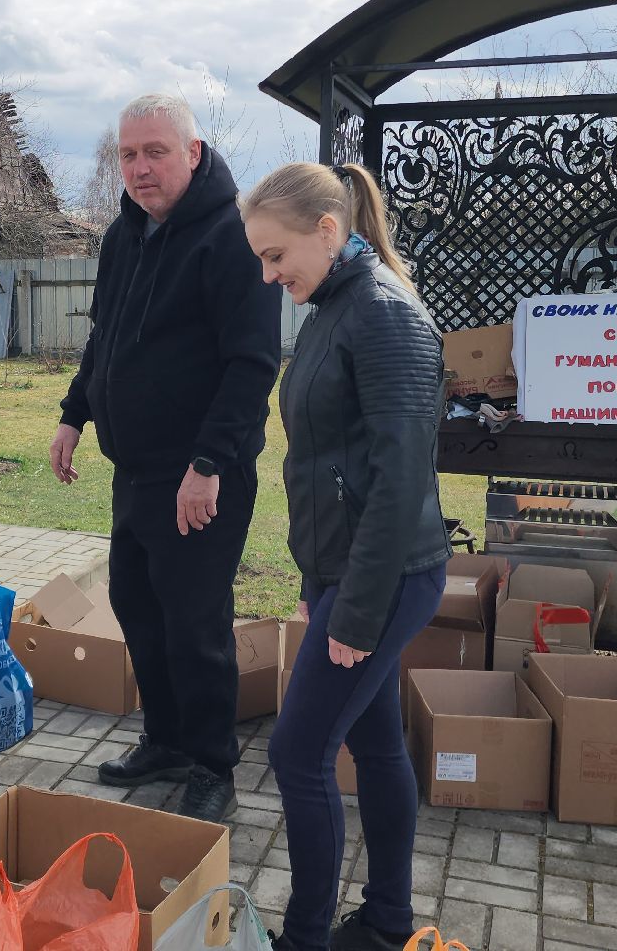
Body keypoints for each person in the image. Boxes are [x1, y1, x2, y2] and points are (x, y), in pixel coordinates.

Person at [52, 94, 282, 822]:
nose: (140, 167)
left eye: (154, 151)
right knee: (139, 609)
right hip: (139, 471)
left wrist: (208, 464)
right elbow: (105, 338)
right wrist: (72, 415)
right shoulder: (124, 236)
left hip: (203, 477)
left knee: (196, 623)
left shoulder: (231, 238)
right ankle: (166, 739)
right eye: (127, 154)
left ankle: (213, 762)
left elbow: (251, 364)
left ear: (192, 151)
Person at [242, 163, 450, 951]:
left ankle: (304, 941)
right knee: (373, 741)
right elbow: (332, 462)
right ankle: (389, 921)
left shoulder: (386, 316)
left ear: (327, 232)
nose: (270, 275)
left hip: (388, 577)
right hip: (353, 572)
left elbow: (400, 479)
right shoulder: (332, 303)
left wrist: (355, 610)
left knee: (298, 752)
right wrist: (315, 582)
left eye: (275, 255)